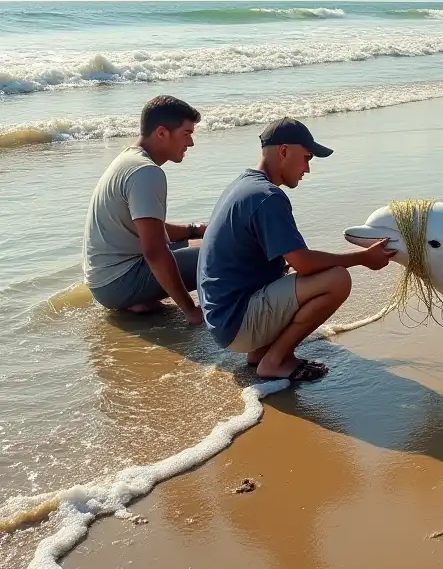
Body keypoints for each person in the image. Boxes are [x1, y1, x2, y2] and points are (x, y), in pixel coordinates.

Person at [197, 118, 394, 383]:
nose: (307, 169)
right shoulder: (268, 197)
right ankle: (276, 361)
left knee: (291, 268)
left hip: (222, 317)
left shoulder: (244, 185)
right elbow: (304, 263)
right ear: (284, 151)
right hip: (236, 323)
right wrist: (363, 258)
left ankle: (261, 353)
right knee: (336, 279)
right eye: (307, 157)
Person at [83, 95, 207, 323]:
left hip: (105, 281)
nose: (190, 143)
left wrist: (196, 229)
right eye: (187, 134)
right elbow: (155, 251)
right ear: (161, 133)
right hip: (118, 283)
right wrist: (191, 311)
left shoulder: (129, 159)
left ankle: (139, 301)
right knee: (221, 251)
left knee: (205, 240)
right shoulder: (146, 173)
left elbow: (148, 228)